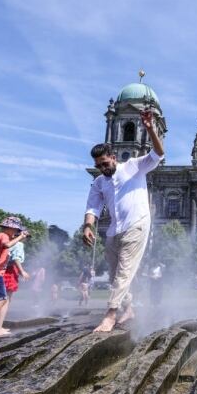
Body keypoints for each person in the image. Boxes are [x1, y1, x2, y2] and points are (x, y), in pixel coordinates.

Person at [83, 108, 164, 332]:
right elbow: (93, 206)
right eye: (98, 165)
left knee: (124, 271)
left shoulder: (134, 166)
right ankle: (129, 308)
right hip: (113, 231)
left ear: (113, 157)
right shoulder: (99, 182)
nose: (102, 168)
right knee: (114, 274)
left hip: (137, 225)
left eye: (105, 164)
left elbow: (158, 154)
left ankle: (110, 315)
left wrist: (150, 129)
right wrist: (88, 226)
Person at [0, 233, 31, 334]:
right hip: (10, 271)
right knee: (5, 300)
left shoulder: (9, 242)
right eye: (26, 236)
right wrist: (22, 271)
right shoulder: (19, 244)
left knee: (1, 299)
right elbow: (16, 258)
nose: (26, 239)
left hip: (2, 269)